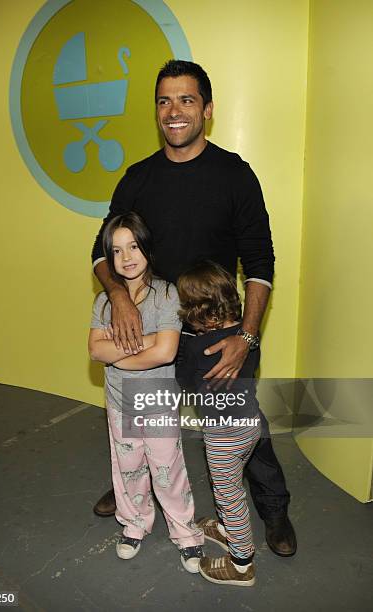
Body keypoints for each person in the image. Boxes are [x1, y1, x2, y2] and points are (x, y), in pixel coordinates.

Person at [91, 59, 297, 557]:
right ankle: (131, 490)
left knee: (244, 431)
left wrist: (247, 336)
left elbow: (261, 262)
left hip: (215, 335)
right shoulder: (138, 178)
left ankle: (273, 510)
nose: (174, 111)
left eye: (186, 100)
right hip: (152, 330)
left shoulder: (234, 175)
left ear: (207, 109)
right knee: (141, 421)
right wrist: (119, 295)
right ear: (156, 111)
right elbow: (102, 250)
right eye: (164, 101)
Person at [88, 211, 204, 572]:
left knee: (167, 468)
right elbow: (95, 349)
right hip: (118, 402)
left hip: (156, 402)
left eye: (133, 247)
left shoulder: (167, 294)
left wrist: (120, 356)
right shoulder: (104, 302)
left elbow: (165, 352)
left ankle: (186, 533)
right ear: (109, 257)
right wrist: (144, 345)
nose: (127, 258)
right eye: (117, 251)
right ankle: (134, 524)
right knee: (127, 469)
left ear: (147, 248)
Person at [176, 260, 261, 586]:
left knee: (229, 493)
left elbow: (186, 381)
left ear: (201, 311)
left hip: (224, 435)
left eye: (186, 307)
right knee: (229, 482)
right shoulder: (245, 341)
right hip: (250, 425)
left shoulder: (200, 345)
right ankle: (227, 530)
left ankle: (242, 563)